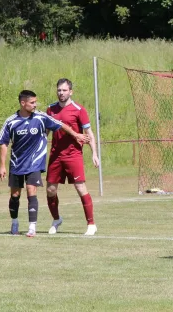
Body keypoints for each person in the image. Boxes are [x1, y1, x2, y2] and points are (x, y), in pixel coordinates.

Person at [0, 90, 88, 238]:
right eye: (32, 102)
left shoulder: (41, 117)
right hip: (16, 164)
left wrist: (76, 135)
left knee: (32, 191)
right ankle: (15, 222)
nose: (35, 105)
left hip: (34, 163)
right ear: (23, 103)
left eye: (35, 102)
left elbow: (61, 125)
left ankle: (32, 227)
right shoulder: (11, 121)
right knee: (15, 195)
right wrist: (2, 165)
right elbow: (4, 144)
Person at [45, 78, 100, 236]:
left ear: (70, 92)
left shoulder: (78, 109)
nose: (61, 93)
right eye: (59, 90)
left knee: (80, 187)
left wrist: (94, 154)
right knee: (50, 189)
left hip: (73, 155)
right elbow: (46, 133)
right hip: (55, 155)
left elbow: (89, 134)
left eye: (64, 90)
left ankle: (91, 224)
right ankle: (56, 220)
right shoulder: (51, 109)